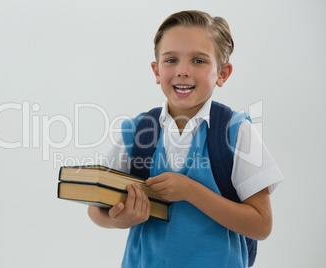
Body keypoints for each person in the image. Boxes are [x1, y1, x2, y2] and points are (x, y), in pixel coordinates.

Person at [87, 10, 283, 268]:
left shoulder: (237, 132)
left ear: (223, 73)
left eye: (199, 61)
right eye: (171, 60)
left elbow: (261, 225)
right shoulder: (137, 131)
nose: (182, 71)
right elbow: (95, 208)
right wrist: (118, 220)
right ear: (156, 71)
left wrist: (191, 191)